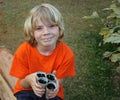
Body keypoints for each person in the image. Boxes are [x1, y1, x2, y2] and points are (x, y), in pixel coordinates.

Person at [10, 3, 76, 100]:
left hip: (51, 93)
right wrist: (29, 80)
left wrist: (55, 83)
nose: (46, 32)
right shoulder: (23, 51)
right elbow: (22, 83)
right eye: (39, 28)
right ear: (32, 32)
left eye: (51, 26)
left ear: (59, 28)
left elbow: (59, 80)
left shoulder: (67, 54)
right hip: (26, 91)